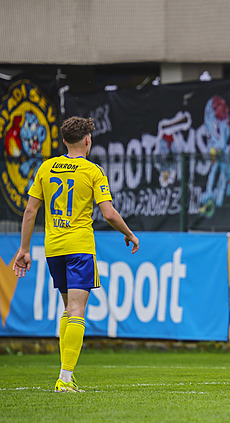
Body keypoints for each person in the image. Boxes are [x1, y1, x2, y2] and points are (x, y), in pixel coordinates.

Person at [12, 116, 139, 393]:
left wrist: (23, 249)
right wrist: (128, 233)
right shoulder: (93, 171)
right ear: (87, 140)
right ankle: (65, 379)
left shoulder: (46, 167)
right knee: (77, 311)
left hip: (54, 248)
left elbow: (31, 210)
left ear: (63, 141)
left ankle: (65, 375)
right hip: (79, 247)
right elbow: (108, 213)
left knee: (67, 309)